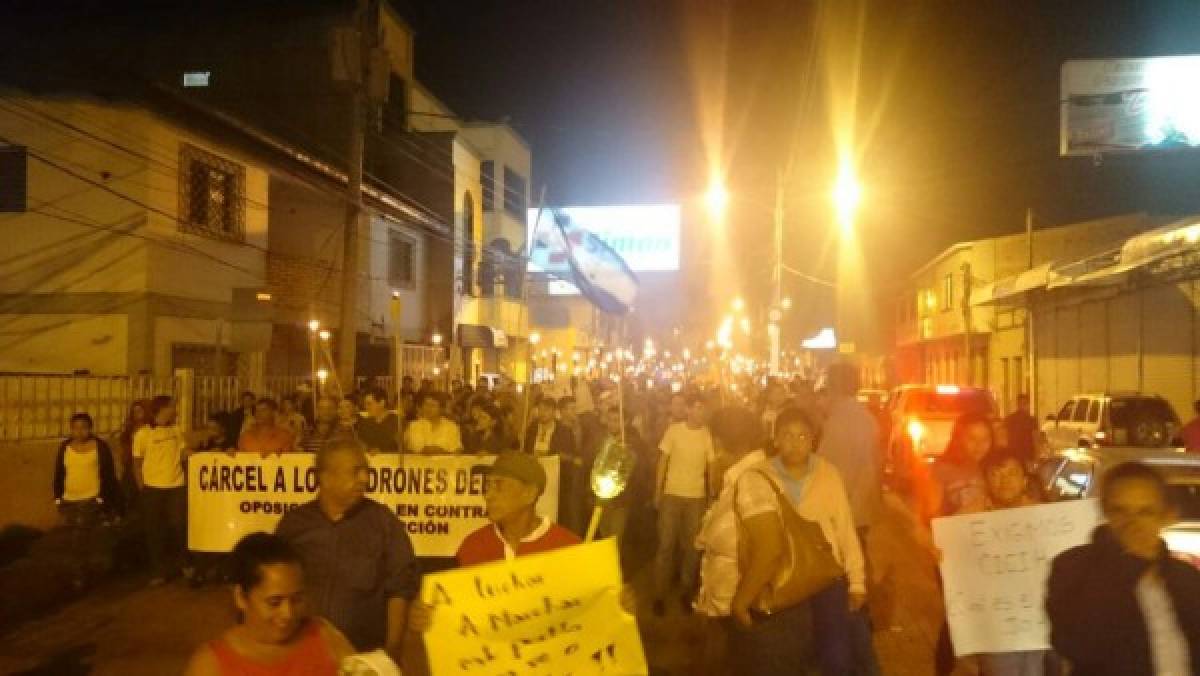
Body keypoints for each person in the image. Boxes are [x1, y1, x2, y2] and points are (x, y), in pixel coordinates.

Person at [732, 407, 866, 676]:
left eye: (803, 436)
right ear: (776, 439)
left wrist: (857, 581)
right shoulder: (760, 476)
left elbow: (844, 528)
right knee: (786, 658)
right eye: (788, 436)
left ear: (813, 440)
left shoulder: (828, 473)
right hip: (782, 577)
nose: (795, 444)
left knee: (836, 657)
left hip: (825, 574)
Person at [1047, 462, 1200, 675]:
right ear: (1105, 511)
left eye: (1145, 512)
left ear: (1165, 516)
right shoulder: (1074, 567)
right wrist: (1131, 565)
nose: (1132, 524)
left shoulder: (1185, 577)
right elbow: (1076, 645)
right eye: (1120, 511)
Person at [275, 440, 419, 659]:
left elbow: (400, 589)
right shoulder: (293, 526)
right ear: (325, 477)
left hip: (364, 660)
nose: (365, 479)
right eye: (356, 471)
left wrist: (392, 653)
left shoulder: (384, 523)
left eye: (366, 471)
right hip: (303, 657)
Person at [183, 532, 356, 676]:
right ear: (241, 597)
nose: (288, 613)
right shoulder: (210, 666)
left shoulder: (324, 637)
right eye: (274, 602)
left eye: (296, 599)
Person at [919, 413, 995, 675]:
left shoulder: (994, 466)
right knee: (957, 619)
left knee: (990, 617)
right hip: (953, 557)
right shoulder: (942, 469)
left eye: (985, 439)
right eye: (972, 438)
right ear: (959, 438)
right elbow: (929, 518)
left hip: (989, 556)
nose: (979, 445)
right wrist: (965, 513)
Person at [695, 407, 767, 675]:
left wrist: (740, 603)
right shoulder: (740, 476)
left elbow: (732, 538)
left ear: (720, 442)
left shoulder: (750, 479)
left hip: (736, 601)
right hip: (729, 600)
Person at [971, 450, 1049, 675]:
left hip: (1038, 621)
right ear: (986, 481)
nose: (1004, 481)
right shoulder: (968, 519)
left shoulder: (1044, 517)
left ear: (1025, 480)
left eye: (1012, 473)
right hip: (997, 626)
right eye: (996, 474)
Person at [653, 393, 716, 616]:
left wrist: (710, 495)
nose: (700, 412)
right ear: (688, 410)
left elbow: (711, 468)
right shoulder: (674, 431)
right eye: (696, 407)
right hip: (672, 494)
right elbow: (663, 462)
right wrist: (658, 492)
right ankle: (659, 593)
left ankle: (685, 591)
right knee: (666, 545)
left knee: (691, 547)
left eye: (703, 408)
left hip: (696, 498)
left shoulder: (707, 435)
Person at [53, 412, 123, 588]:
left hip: (90, 499)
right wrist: (58, 498)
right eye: (76, 428)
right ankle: (88, 568)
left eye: (84, 427)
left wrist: (102, 499)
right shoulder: (65, 447)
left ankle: (79, 576)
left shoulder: (99, 447)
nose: (80, 432)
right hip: (69, 500)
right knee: (75, 539)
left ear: (90, 428)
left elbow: (108, 474)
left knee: (80, 536)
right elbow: (59, 473)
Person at [133, 395, 192, 586]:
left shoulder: (176, 431)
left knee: (179, 526)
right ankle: (158, 571)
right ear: (162, 409)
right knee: (154, 530)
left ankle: (184, 564)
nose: (175, 410)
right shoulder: (143, 434)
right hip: (153, 488)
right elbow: (137, 463)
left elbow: (184, 455)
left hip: (176, 486)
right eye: (172, 407)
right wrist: (143, 487)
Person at [115, 399, 150, 505]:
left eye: (140, 411)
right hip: (130, 469)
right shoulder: (129, 430)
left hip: (146, 468)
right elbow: (122, 451)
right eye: (134, 411)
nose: (137, 414)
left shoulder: (150, 430)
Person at [356, 387, 401, 454]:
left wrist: (383, 451)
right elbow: (360, 443)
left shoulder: (397, 422)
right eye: (365, 404)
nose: (366, 407)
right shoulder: (364, 423)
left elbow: (403, 449)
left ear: (381, 403)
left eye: (369, 404)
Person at [1003, 394, 1040, 466]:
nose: (1023, 406)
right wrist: (1037, 454)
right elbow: (1035, 438)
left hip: (1019, 454)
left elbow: (1035, 437)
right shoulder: (1031, 420)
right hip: (1023, 454)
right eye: (1021, 404)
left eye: (1025, 404)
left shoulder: (1009, 419)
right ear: (1018, 404)